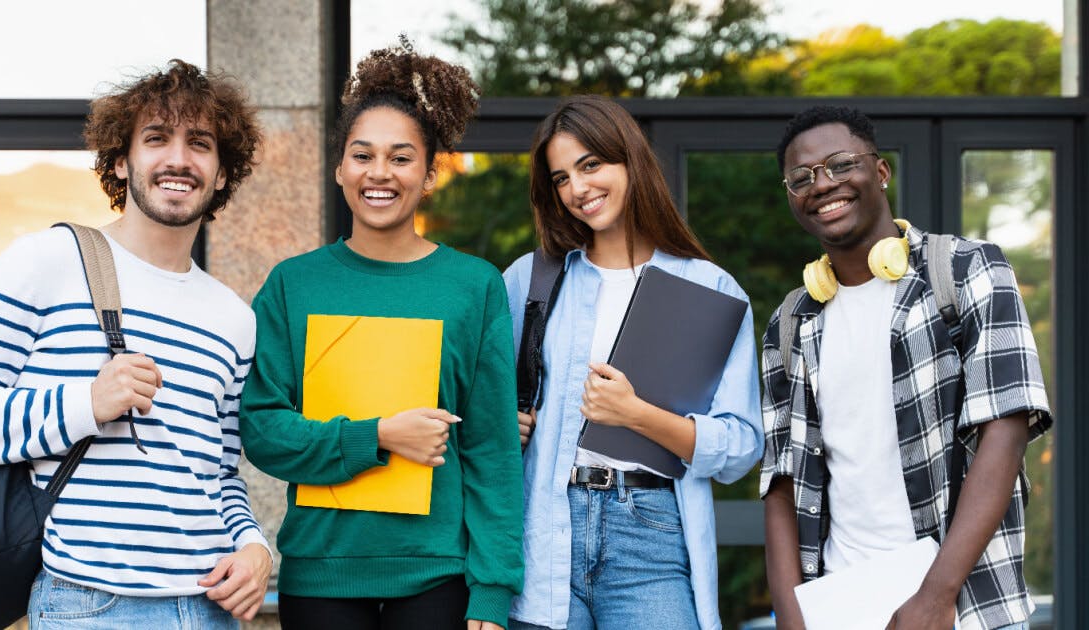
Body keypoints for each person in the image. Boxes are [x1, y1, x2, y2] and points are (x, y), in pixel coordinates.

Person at [0, 60, 272, 627]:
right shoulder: (48, 261)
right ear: (121, 160)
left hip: (208, 610)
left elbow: (220, 472)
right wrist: (85, 403)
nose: (178, 158)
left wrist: (254, 545)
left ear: (223, 172)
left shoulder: (234, 317)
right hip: (89, 605)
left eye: (199, 143)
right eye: (156, 138)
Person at [238, 39, 523, 630]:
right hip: (321, 573)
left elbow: (492, 451)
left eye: (401, 157)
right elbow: (263, 430)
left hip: (439, 577)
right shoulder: (294, 285)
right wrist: (380, 437)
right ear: (340, 168)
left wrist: (493, 589)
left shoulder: (474, 287)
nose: (379, 173)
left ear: (428, 174)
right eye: (362, 155)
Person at [760, 105, 1053, 630]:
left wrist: (936, 595)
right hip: (841, 603)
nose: (822, 184)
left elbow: (1005, 432)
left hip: (963, 607)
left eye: (840, 164)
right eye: (801, 177)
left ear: (880, 171)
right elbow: (783, 486)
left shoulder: (966, 271)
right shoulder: (789, 323)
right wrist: (793, 617)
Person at [503, 95, 763, 630]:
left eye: (591, 165)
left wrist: (635, 414)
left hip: (651, 531)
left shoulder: (708, 287)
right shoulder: (528, 281)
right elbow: (483, 410)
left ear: (630, 160)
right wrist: (506, 423)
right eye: (560, 178)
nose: (577, 189)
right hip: (545, 533)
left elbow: (740, 448)